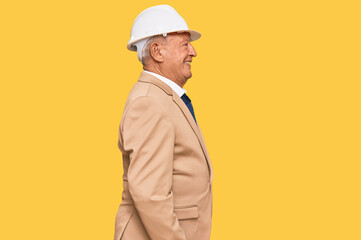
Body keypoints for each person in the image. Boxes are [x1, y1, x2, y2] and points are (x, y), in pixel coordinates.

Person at [114, 5, 213, 240]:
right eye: (185, 44)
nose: (193, 52)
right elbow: (150, 195)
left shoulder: (161, 97)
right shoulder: (149, 104)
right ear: (157, 51)